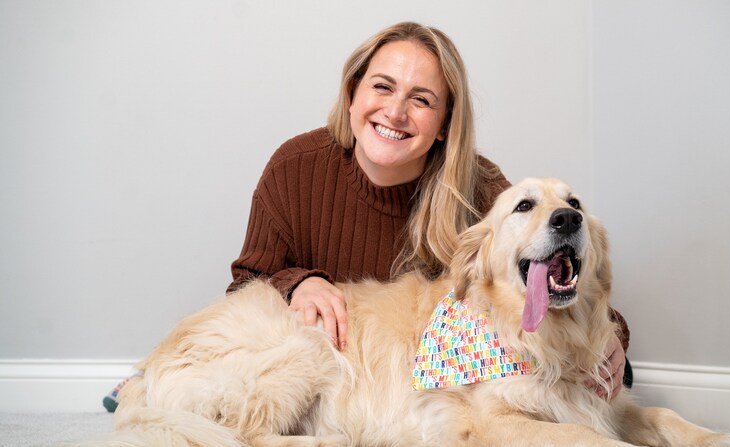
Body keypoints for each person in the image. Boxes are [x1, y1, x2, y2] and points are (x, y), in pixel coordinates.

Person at [104, 21, 628, 413]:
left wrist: (611, 338)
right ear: (353, 92)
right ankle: (149, 388)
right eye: (381, 87)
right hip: (317, 351)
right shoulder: (295, 167)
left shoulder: (486, 191)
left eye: (421, 100)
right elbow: (245, 285)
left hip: (404, 382)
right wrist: (298, 282)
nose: (395, 113)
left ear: (445, 124)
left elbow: (546, 284)